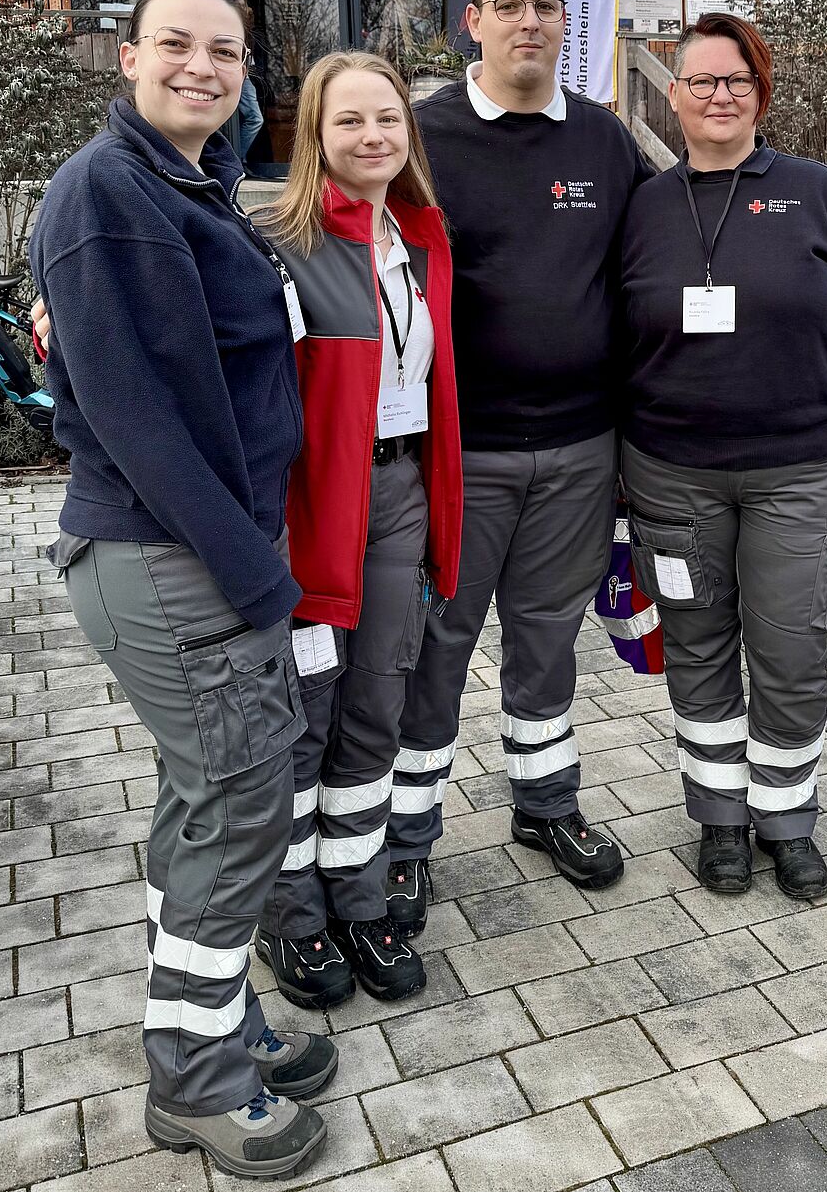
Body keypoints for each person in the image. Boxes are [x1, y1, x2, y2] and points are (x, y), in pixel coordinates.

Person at [28, 0, 335, 1182]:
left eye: (225, 52)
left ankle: (210, 1020)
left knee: (200, 802)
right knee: (242, 807)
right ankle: (196, 1084)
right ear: (128, 57)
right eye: (175, 44)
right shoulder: (109, 193)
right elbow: (140, 420)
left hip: (193, 552)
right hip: (174, 556)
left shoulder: (186, 181)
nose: (202, 68)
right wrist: (257, 574)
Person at [383, 0, 653, 939]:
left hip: (581, 449)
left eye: (546, 3)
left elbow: (660, 255)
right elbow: (329, 227)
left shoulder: (605, 140)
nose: (529, 20)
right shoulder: (421, 135)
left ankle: (545, 803)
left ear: (564, 20)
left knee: (547, 636)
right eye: (508, 4)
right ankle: (406, 840)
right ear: (475, 21)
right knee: (436, 647)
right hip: (463, 452)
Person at [620, 12, 827, 900]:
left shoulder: (820, 195)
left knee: (790, 650)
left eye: (737, 81)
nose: (720, 95)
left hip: (799, 470)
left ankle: (786, 819)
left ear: (760, 94)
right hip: (670, 474)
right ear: (673, 97)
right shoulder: (643, 207)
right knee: (698, 648)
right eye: (702, 80)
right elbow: (609, 340)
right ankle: (720, 820)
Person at [251, 52, 462, 1009]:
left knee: (379, 701)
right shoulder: (275, 243)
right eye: (350, 120)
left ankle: (358, 896)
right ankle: (291, 915)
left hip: (401, 492)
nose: (373, 135)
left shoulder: (419, 237)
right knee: (306, 715)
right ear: (315, 136)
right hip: (310, 512)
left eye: (389, 117)